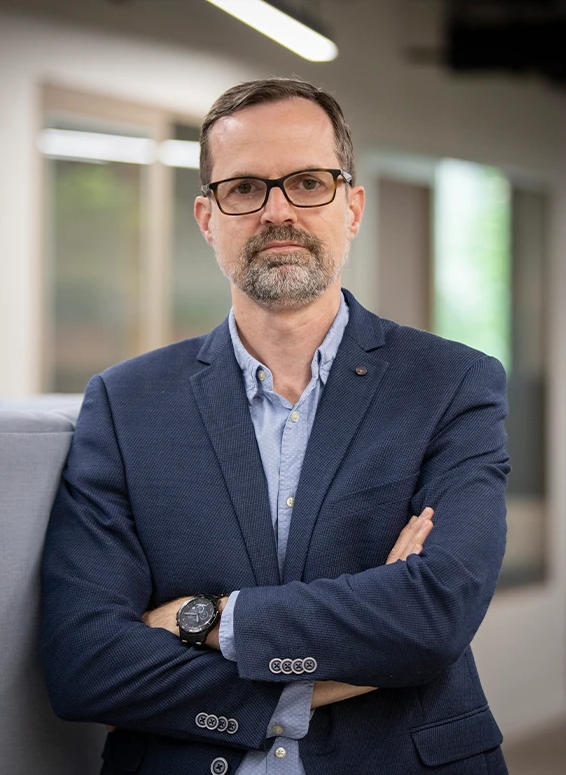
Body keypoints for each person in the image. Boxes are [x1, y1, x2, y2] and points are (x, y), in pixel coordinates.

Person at [40, 78, 510, 775]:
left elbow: (435, 614)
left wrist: (205, 619)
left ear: (352, 206)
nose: (278, 211)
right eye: (244, 189)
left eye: (309, 182)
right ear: (207, 217)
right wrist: (324, 673)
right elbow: (86, 664)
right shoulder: (125, 402)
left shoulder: (452, 385)